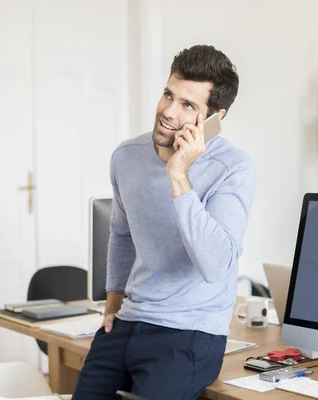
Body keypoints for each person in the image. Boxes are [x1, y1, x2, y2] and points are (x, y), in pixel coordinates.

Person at [72, 45, 255, 400]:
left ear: (214, 118)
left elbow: (215, 264)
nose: (168, 111)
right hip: (128, 321)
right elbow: (122, 233)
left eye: (188, 105)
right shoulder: (126, 157)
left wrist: (178, 175)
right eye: (168, 94)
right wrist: (113, 300)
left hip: (189, 333)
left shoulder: (233, 169)